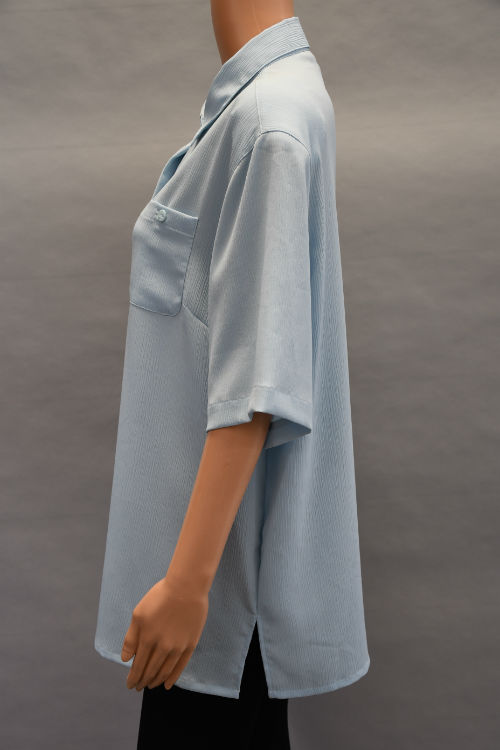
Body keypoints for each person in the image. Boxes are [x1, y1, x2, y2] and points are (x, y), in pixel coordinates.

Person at [94, 2, 370, 747]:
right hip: (216, 578)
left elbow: (259, 387)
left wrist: (187, 588)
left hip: (219, 595)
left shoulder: (269, 124)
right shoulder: (273, 97)